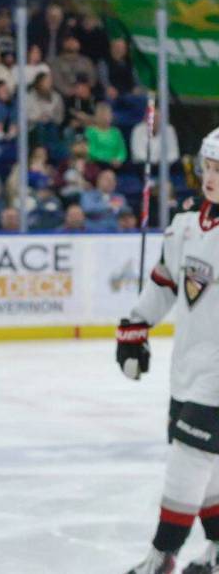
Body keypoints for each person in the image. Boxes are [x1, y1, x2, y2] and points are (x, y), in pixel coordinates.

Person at [118, 128, 219, 574]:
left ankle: (163, 556)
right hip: (189, 368)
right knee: (207, 465)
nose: (211, 177)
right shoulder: (185, 225)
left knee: (189, 458)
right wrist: (135, 327)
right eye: (208, 167)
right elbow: (165, 282)